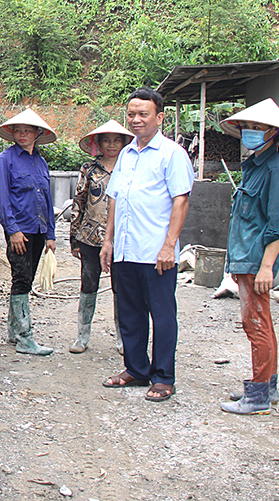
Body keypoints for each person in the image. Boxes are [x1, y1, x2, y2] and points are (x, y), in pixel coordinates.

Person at [101, 88, 193, 402]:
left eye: (143, 114)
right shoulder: (126, 154)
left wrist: (170, 246)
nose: (136, 120)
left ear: (159, 117)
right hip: (125, 250)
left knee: (162, 315)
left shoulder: (171, 154)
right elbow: (116, 199)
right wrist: (108, 240)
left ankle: (164, 377)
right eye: (132, 114)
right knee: (129, 313)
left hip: (156, 252)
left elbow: (181, 200)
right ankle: (136, 369)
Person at [217, 99, 279, 415]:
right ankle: (267, 386)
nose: (251, 132)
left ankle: (259, 397)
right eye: (248, 127)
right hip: (246, 259)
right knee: (261, 322)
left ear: (273, 133)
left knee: (256, 325)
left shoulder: (277, 171)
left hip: (256, 262)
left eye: (258, 127)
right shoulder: (255, 166)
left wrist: (266, 266)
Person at [0, 109, 57, 356]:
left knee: (26, 279)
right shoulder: (5, 160)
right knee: (21, 279)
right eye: (17, 130)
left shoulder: (40, 162)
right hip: (20, 231)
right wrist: (13, 231)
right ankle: (24, 337)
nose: (22, 134)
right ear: (11, 133)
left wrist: (50, 233)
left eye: (27, 130)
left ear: (37, 133)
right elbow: (2, 199)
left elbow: (47, 200)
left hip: (39, 230)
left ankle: (13, 330)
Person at [69, 120, 133, 354]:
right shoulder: (89, 169)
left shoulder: (131, 168)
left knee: (122, 288)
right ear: (98, 143)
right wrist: (74, 236)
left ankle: (123, 338)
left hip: (122, 238)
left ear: (125, 143)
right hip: (90, 237)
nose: (112, 144)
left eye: (117, 140)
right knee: (88, 285)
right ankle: (82, 337)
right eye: (107, 140)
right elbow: (79, 201)